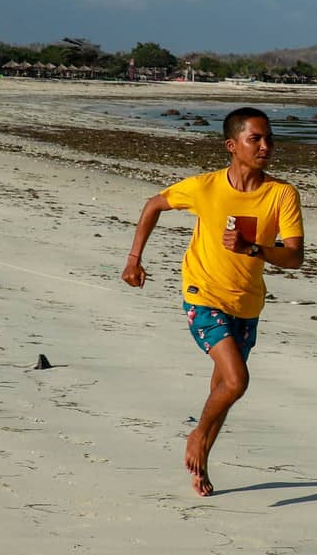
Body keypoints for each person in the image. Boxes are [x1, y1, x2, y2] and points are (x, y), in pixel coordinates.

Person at [121, 107, 305, 496]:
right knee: (237, 381)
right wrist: (134, 259)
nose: (265, 146)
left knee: (222, 389)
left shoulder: (282, 194)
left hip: (247, 303)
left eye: (269, 138)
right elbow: (153, 205)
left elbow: (295, 257)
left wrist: (255, 248)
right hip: (202, 295)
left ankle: (201, 457)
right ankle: (198, 437)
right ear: (232, 145)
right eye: (255, 138)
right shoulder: (205, 187)